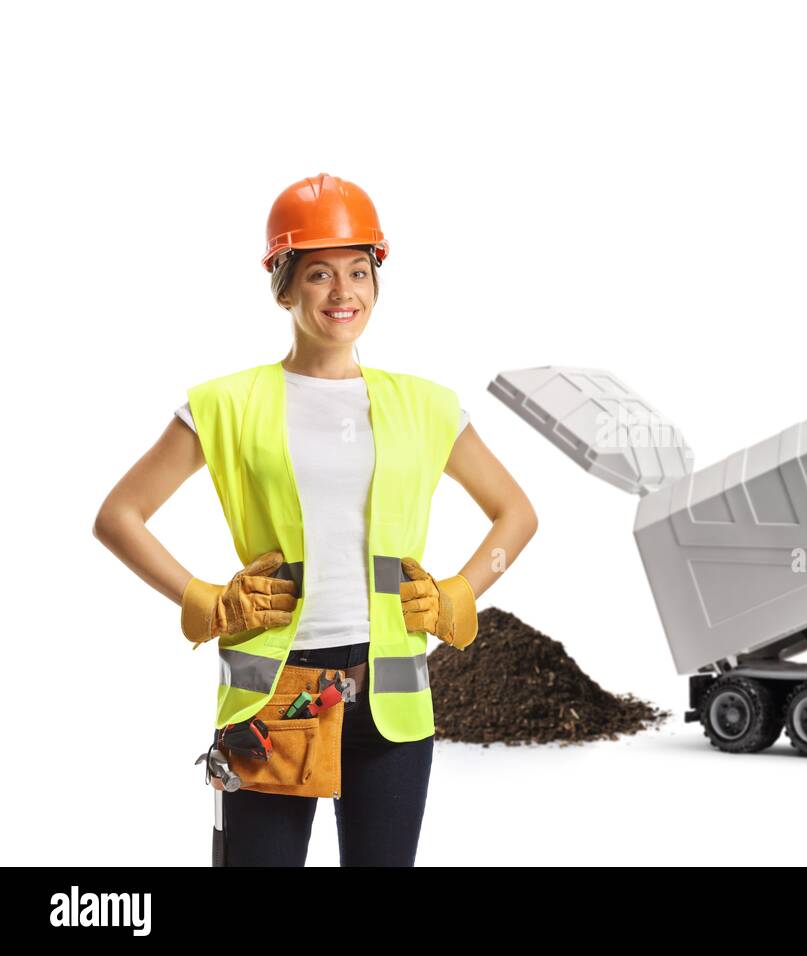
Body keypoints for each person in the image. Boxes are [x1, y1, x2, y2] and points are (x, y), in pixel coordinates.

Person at [92, 172, 538, 866]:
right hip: (274, 698)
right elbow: (119, 516)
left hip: (391, 705)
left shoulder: (427, 406)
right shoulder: (224, 405)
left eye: (359, 272)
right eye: (320, 273)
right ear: (284, 285)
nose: (343, 293)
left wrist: (461, 593)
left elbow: (516, 514)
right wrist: (203, 601)